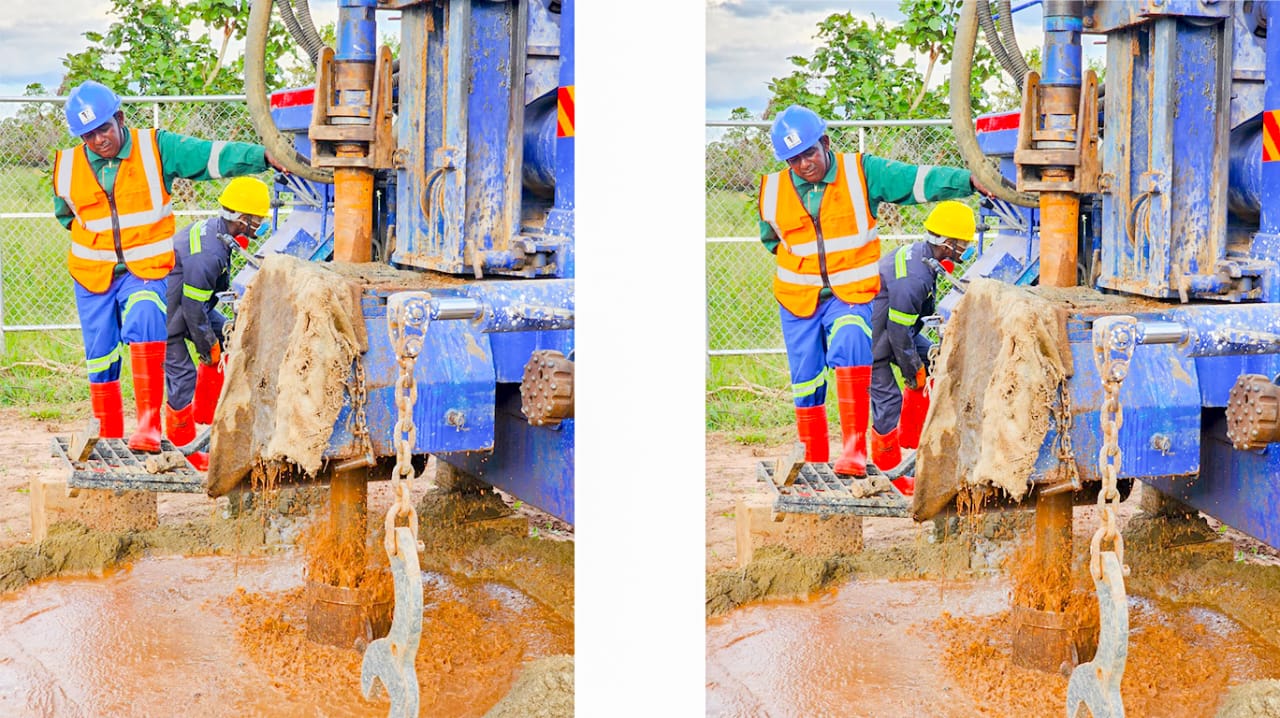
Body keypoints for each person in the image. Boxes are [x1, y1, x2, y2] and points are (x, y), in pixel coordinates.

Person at [53, 80, 284, 453]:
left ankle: (147, 425)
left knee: (146, 317)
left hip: (144, 269)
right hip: (92, 275)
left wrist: (262, 156)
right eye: (88, 134)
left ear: (120, 118)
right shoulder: (66, 166)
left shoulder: (155, 148)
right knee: (100, 354)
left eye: (104, 129)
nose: (98, 139)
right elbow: (66, 215)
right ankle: (109, 435)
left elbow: (211, 156)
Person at [759, 104, 987, 478]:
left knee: (851, 343)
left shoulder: (860, 172)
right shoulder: (772, 191)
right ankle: (815, 459)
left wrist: (967, 181)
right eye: (793, 159)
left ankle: (852, 449)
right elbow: (772, 240)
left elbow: (915, 181)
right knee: (806, 377)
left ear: (825, 143)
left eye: (809, 153)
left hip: (850, 293)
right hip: (797, 299)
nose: (804, 164)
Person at [868, 200, 977, 495]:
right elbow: (898, 331)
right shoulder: (915, 277)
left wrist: (920, 366)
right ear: (947, 243)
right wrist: (912, 370)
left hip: (892, 330)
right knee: (888, 402)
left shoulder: (923, 257)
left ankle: (915, 440)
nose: (966, 248)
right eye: (963, 243)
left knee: (935, 362)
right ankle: (890, 474)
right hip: (872, 341)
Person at [162, 177, 270, 471]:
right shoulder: (210, 253)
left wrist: (214, 341)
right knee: (182, 377)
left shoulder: (219, 234)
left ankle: (208, 418)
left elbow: (199, 305)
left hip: (187, 306)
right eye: (257, 219)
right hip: (166, 317)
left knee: (230, 338)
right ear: (242, 219)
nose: (260, 224)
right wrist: (206, 346)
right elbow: (193, 307)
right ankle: (183, 449)